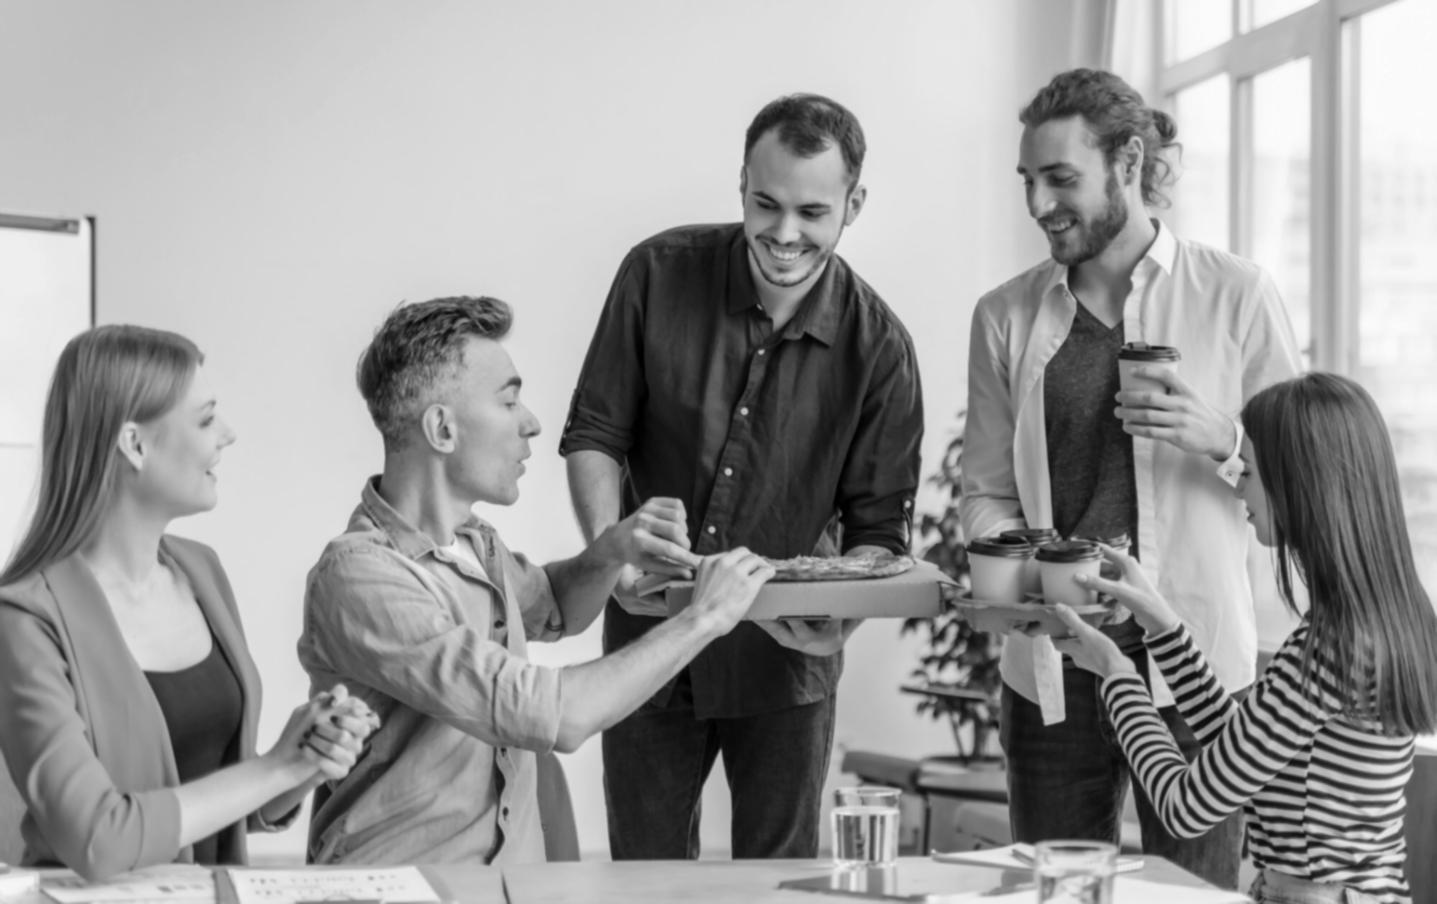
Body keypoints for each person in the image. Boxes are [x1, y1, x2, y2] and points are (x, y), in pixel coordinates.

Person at [960, 67, 1302, 887]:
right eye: (1029, 182)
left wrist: (1221, 436)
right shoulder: (1003, 315)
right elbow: (984, 490)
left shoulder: (1236, 295)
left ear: (1128, 161)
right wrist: (1011, 574)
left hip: (1195, 672)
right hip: (1053, 666)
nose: (1039, 203)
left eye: (1061, 179)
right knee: (1052, 889)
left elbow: (1304, 489)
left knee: (1195, 895)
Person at [560, 93, 923, 860]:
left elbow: (879, 532)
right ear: (741, 185)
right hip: (647, 644)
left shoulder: (881, 347)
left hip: (786, 668)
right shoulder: (655, 273)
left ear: (853, 204)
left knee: (777, 882)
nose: (784, 234)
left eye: (812, 212)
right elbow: (595, 432)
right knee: (645, 880)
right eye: (766, 203)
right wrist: (606, 549)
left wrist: (842, 617)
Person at [297, 296, 773, 865]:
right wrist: (706, 619)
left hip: (509, 886)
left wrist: (610, 552)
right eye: (509, 400)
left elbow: (554, 607)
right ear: (442, 428)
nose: (532, 423)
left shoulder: (475, 543)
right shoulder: (362, 577)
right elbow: (556, 715)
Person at [0, 325, 376, 881]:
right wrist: (275, 768)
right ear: (134, 444)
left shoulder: (201, 570)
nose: (228, 435)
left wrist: (303, 761)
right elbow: (99, 839)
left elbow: (213, 802)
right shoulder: (26, 620)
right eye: (205, 419)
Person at [1051, 372, 1437, 904]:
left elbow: (1185, 806)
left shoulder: (1330, 644)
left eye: (1249, 472)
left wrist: (1116, 676)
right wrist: (1162, 625)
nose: (1238, 487)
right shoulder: (1388, 614)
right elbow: (1242, 747)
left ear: (1299, 483)